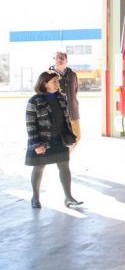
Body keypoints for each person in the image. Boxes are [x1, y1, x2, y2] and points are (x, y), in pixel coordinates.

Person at [25, 71, 83, 209]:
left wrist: (70, 137)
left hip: (60, 139)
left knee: (64, 167)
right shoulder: (34, 101)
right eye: (54, 81)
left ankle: (68, 198)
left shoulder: (62, 97)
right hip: (42, 141)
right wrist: (36, 144)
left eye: (58, 81)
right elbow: (30, 124)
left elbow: (66, 120)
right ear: (45, 83)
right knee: (39, 167)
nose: (58, 84)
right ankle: (35, 197)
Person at [50, 51, 81, 149]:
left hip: (72, 111)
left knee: (77, 137)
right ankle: (61, 158)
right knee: (59, 139)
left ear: (66, 60)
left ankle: (64, 157)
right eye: (57, 58)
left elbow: (75, 91)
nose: (59, 60)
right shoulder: (48, 74)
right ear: (54, 59)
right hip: (56, 112)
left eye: (62, 58)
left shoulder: (72, 75)